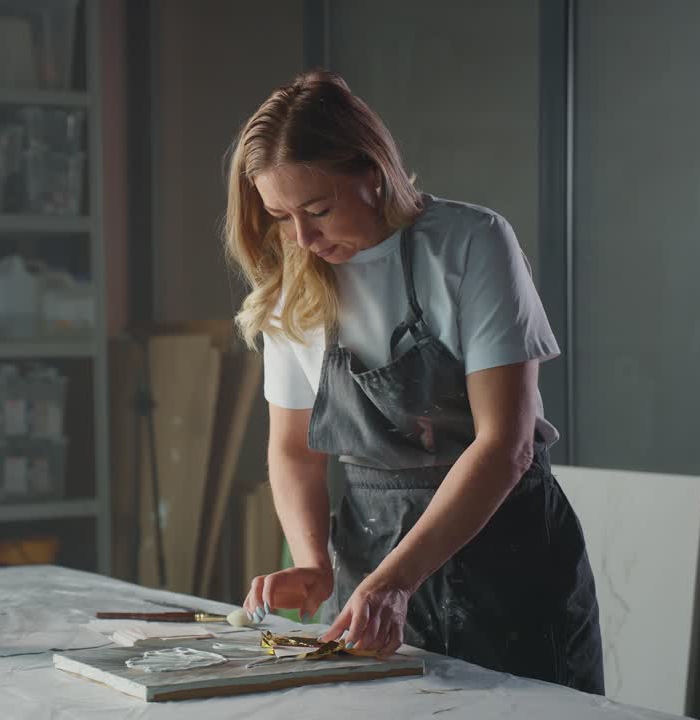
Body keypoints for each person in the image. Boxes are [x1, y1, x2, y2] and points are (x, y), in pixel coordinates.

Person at [224, 69, 604, 693]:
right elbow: (294, 450)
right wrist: (314, 562)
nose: (301, 238)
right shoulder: (295, 279)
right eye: (279, 215)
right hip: (371, 557)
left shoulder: (471, 244)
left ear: (372, 172)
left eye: (318, 209)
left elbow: (504, 444)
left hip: (505, 556)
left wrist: (398, 579)